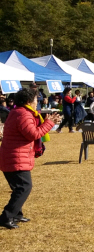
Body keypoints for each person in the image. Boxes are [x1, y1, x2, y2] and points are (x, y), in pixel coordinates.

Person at [0, 88, 61, 229]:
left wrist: (47, 121)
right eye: (36, 100)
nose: (37, 103)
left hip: (12, 156)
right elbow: (33, 134)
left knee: (18, 188)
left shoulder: (19, 112)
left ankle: (16, 214)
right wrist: (49, 123)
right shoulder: (23, 114)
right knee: (24, 187)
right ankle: (6, 217)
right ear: (28, 101)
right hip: (15, 157)